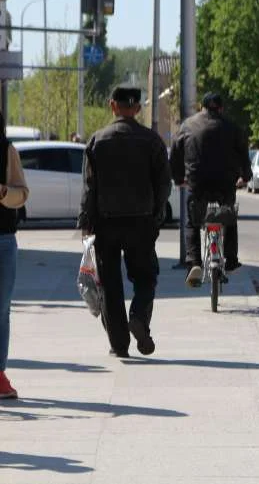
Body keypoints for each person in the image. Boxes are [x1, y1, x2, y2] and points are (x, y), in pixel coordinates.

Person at [78, 87, 171, 358]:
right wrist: (156, 214)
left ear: (112, 106)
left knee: (110, 283)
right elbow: (163, 184)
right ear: (138, 108)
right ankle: (139, 317)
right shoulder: (152, 141)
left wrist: (86, 220)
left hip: (106, 223)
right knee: (145, 276)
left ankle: (119, 344)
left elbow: (89, 186)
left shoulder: (98, 140)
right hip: (141, 221)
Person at [170, 92, 251, 287]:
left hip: (197, 183)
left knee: (192, 222)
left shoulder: (188, 125)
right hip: (225, 183)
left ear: (201, 107)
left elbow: (175, 153)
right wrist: (245, 177)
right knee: (229, 218)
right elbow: (243, 155)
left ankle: (194, 262)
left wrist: (179, 178)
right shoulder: (232, 127)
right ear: (221, 108)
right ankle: (231, 260)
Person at [0, 117, 30, 399]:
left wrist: (4, 192)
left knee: (1, 307)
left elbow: (22, 193)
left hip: (3, 238)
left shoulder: (6, 151)